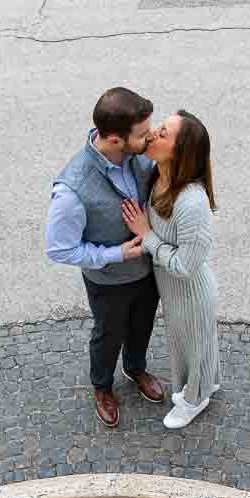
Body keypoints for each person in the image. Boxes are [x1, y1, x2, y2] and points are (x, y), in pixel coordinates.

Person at [46, 87, 166, 428]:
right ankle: (102, 386)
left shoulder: (138, 154)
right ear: (114, 140)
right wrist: (116, 253)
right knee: (108, 334)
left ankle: (135, 367)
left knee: (142, 324)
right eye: (143, 135)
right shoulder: (72, 190)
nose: (149, 139)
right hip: (108, 281)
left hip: (148, 269)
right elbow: (59, 248)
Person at [121, 110, 219, 429]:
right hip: (172, 292)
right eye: (159, 128)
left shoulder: (191, 203)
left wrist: (146, 234)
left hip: (190, 292)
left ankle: (194, 400)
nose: (153, 135)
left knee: (195, 346)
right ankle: (205, 386)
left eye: (163, 134)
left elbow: (184, 266)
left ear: (181, 152)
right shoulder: (158, 176)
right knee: (188, 345)